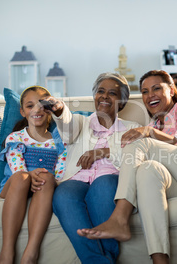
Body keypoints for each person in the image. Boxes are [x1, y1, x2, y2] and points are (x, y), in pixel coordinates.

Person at [78, 70, 177, 264]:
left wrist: (149, 133)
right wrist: (147, 132)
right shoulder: (155, 123)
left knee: (141, 141)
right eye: (145, 91)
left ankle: (120, 216)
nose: (150, 95)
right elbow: (132, 153)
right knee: (148, 170)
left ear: (171, 90)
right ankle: (159, 258)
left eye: (157, 88)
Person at [50, 73, 141, 264]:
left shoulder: (132, 127)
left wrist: (102, 152)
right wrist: (59, 110)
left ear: (122, 102)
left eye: (113, 93)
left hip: (109, 176)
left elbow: (137, 154)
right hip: (77, 177)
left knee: (104, 186)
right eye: (101, 91)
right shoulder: (80, 122)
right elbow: (67, 129)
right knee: (63, 195)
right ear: (94, 96)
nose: (105, 96)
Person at [0, 86, 67, 264]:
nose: (36, 110)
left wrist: (50, 179)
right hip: (15, 186)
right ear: (22, 112)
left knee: (48, 177)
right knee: (23, 177)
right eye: (30, 106)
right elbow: (17, 168)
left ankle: (31, 252)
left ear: (50, 109)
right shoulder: (15, 138)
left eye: (42, 105)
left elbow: (60, 172)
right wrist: (29, 173)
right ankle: (7, 251)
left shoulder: (57, 142)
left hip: (42, 187)